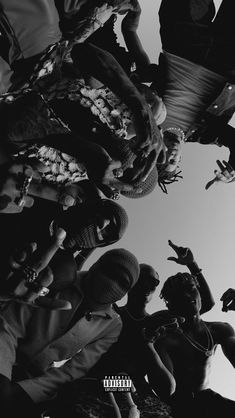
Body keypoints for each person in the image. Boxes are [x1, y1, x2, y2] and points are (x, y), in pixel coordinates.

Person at [0, 246, 140, 418]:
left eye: (123, 283)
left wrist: (24, 392)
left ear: (124, 293)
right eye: (111, 272)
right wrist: (2, 375)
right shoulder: (59, 278)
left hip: (37, 380)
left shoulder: (112, 325)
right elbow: (10, 325)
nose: (113, 283)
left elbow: (73, 371)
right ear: (96, 266)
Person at [153, 0, 235, 192]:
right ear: (180, 159)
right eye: (173, 160)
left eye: (162, 157)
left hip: (183, 43)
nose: (170, 153)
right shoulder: (205, 135)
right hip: (226, 59)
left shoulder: (148, 118)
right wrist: (232, 170)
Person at [154, 271, 235, 418]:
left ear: (199, 292)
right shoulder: (165, 340)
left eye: (191, 288)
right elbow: (165, 390)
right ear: (170, 304)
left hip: (208, 399)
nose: (186, 296)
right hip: (178, 405)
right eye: (178, 294)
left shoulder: (220, 330)